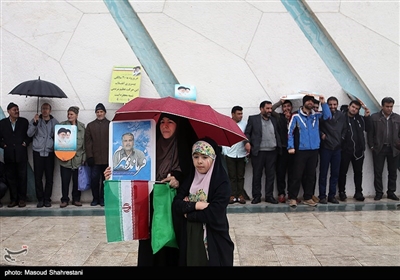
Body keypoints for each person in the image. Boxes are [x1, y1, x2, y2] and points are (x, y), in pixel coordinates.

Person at [105, 113, 197, 266]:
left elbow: (191, 174)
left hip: (173, 206)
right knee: (149, 243)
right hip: (150, 203)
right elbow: (136, 170)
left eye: (170, 122)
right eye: (162, 122)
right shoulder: (148, 147)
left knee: (170, 242)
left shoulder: (185, 147)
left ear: (178, 125)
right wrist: (113, 174)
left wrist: (178, 179)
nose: (165, 126)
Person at [172, 137, 234, 266]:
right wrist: (197, 205)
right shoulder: (190, 179)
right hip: (190, 237)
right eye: (196, 157)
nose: (199, 162)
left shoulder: (221, 182)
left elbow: (214, 212)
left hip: (213, 237)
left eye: (205, 157)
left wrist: (189, 213)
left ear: (213, 158)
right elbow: (177, 204)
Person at [287, 95, 331, 207]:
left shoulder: (316, 115)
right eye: (309, 101)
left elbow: (328, 116)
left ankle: (308, 197)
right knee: (297, 174)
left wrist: (323, 103)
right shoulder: (296, 115)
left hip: (314, 149)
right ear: (304, 102)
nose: (311, 103)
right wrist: (290, 146)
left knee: (311, 175)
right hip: (301, 150)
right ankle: (292, 197)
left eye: (312, 101)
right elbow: (290, 132)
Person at [244, 100, 282, 204]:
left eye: (270, 108)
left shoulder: (274, 120)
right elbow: (247, 133)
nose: (270, 110)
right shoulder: (253, 119)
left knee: (270, 176)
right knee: (257, 175)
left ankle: (269, 196)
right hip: (258, 152)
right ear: (261, 109)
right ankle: (256, 196)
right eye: (267, 108)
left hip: (272, 152)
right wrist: (247, 143)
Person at [367, 97, 400, 201]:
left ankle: (391, 192)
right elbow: (370, 133)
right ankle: (379, 192)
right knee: (378, 171)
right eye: (387, 106)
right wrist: (372, 146)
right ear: (382, 106)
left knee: (393, 171)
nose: (389, 109)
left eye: (391, 106)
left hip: (394, 148)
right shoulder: (374, 117)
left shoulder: (397, 118)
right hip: (379, 148)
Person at [27, 102, 59, 208]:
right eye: (43, 108)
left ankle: (47, 199)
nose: (45, 110)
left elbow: (59, 137)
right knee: (38, 177)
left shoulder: (55, 122)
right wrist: (35, 124)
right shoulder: (35, 120)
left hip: (49, 152)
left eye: (47, 108)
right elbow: (29, 134)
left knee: (49, 178)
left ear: (50, 110)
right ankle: (40, 199)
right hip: (38, 152)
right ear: (41, 110)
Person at [338, 100, 371, 201]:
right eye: (353, 107)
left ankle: (358, 192)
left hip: (358, 151)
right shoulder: (342, 117)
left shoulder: (360, 119)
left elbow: (368, 128)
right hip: (345, 150)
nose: (354, 109)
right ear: (349, 106)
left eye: (357, 109)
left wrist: (367, 116)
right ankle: (342, 192)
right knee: (342, 172)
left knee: (358, 172)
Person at [0, 102, 31, 208]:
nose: (17, 111)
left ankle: (22, 199)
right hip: (9, 155)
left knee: (22, 178)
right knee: (11, 178)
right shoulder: (2, 123)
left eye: (17, 109)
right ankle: (14, 199)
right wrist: (3, 145)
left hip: (21, 155)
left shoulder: (24, 122)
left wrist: (25, 143)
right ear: (8, 111)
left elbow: (29, 135)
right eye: (14, 110)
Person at [317, 96, 346, 204]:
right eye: (330, 104)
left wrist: (341, 139)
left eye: (334, 104)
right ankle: (322, 196)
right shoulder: (322, 116)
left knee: (335, 173)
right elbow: (317, 127)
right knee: (323, 173)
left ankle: (332, 196)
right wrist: (322, 135)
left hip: (337, 149)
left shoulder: (342, 115)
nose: (332, 106)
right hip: (326, 147)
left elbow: (344, 129)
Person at [58, 106, 86, 208]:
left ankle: (76, 199)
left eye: (71, 114)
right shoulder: (61, 126)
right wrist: (60, 156)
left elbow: (84, 145)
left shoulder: (82, 127)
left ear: (76, 115)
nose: (69, 116)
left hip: (78, 158)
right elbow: (58, 143)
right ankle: (64, 199)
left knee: (77, 181)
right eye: (68, 114)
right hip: (65, 159)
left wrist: (84, 158)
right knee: (65, 180)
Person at [221, 106, 248, 204]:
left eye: (241, 114)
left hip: (241, 154)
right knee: (231, 176)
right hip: (230, 153)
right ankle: (232, 195)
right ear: (233, 114)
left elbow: (247, 137)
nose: (241, 116)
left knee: (240, 176)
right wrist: (225, 151)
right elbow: (223, 137)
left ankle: (240, 195)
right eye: (238, 114)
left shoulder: (245, 124)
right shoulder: (226, 123)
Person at [85, 103, 110, 207]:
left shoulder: (110, 124)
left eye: (101, 112)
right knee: (94, 180)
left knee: (106, 181)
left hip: (107, 158)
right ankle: (95, 198)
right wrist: (89, 156)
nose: (99, 114)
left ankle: (103, 198)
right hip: (95, 159)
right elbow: (88, 142)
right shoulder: (90, 126)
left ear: (104, 112)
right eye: (98, 112)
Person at [272, 98, 294, 203]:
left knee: (293, 172)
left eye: (288, 106)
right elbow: (271, 109)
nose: (286, 108)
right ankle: (281, 193)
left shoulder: (296, 117)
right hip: (282, 149)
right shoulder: (279, 117)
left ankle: (291, 194)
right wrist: (280, 102)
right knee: (281, 172)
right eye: (284, 107)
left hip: (293, 149)